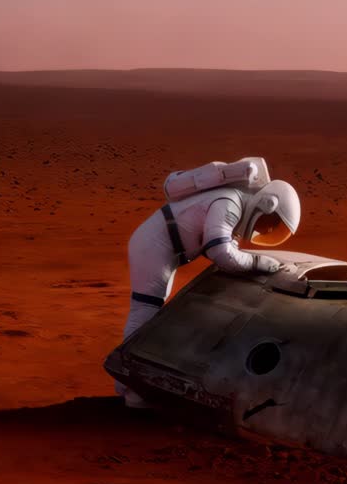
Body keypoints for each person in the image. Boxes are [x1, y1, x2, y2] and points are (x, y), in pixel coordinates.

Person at [118, 158, 301, 400]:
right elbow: (220, 252)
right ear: (266, 204)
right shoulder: (229, 203)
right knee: (145, 309)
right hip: (154, 246)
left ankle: (130, 382)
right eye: (268, 222)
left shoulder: (232, 202)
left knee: (150, 310)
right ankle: (130, 386)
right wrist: (258, 263)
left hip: (164, 247)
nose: (264, 229)